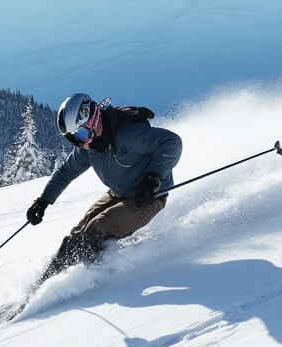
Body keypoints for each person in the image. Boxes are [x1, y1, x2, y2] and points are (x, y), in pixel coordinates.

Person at [26, 93, 182, 284]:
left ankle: (84, 280)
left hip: (147, 197)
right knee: (76, 234)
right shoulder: (89, 146)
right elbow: (65, 172)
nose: (80, 143)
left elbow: (171, 142)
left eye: (81, 134)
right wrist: (43, 201)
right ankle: (46, 283)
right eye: (73, 139)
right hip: (118, 193)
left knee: (96, 229)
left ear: (94, 119)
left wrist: (152, 179)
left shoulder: (128, 135)